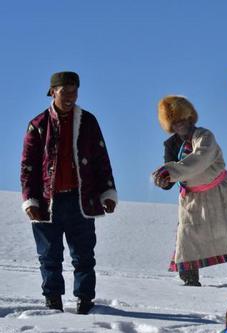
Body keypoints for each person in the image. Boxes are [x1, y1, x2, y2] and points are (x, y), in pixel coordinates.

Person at [20, 71, 117, 314]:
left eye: (75, 91)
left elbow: (101, 160)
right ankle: (53, 300)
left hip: (80, 200)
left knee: (84, 255)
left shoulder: (88, 122)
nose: (71, 96)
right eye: (65, 91)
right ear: (53, 91)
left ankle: (85, 300)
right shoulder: (38, 125)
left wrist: (107, 192)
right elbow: (27, 168)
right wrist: (29, 200)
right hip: (46, 202)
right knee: (49, 255)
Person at [152, 95, 227, 286]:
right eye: (175, 122)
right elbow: (171, 179)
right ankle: (190, 282)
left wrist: (170, 172)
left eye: (183, 119)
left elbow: (200, 159)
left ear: (190, 118)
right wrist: (165, 181)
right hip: (191, 198)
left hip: (219, 194)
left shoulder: (205, 137)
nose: (180, 125)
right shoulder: (171, 145)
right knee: (187, 236)